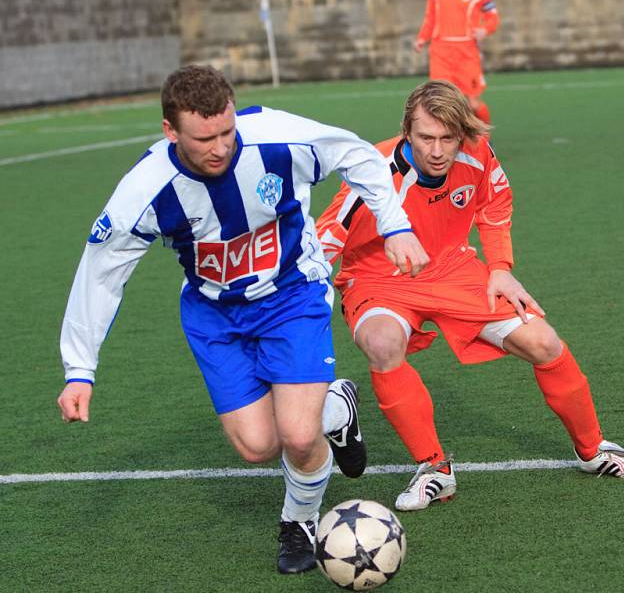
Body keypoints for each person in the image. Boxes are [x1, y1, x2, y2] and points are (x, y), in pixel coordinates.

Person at [57, 65, 429, 573]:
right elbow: (99, 275)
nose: (220, 147)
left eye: (227, 132)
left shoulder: (276, 138)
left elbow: (359, 154)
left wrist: (394, 226)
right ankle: (336, 409)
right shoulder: (145, 190)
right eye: (204, 138)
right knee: (258, 445)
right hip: (215, 314)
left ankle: (298, 521)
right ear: (170, 131)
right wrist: (80, 369)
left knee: (298, 437)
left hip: (292, 293)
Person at [316, 80, 624, 513]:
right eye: (426, 138)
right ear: (407, 131)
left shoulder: (477, 152)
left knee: (543, 342)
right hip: (381, 278)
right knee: (382, 343)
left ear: (462, 134)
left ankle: (593, 450)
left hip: (453, 269)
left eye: (447, 138)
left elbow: (494, 205)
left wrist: (500, 269)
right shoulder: (373, 169)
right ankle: (434, 468)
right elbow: (328, 234)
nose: (437, 151)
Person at [414, 0, 499, 124]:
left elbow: (492, 16)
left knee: (473, 104)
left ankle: (485, 140)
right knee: (441, 100)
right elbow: (430, 17)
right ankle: (450, 141)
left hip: (467, 52)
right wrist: (422, 37)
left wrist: (485, 29)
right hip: (440, 52)